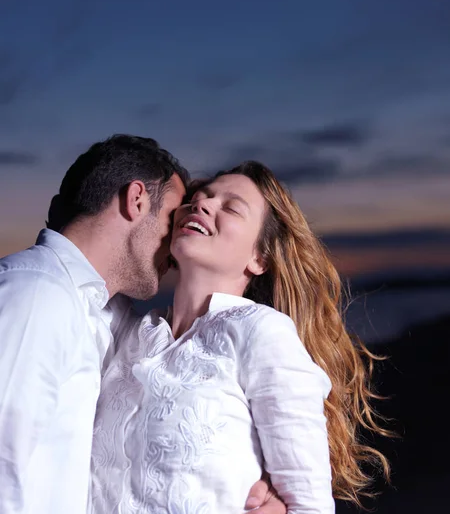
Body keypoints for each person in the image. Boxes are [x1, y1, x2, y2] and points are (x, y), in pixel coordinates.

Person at [0, 136, 283, 514]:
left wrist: (262, 480)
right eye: (172, 219)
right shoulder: (37, 293)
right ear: (136, 201)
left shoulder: (108, 318)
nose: (176, 239)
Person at [90, 161, 389, 513]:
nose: (201, 205)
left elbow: (310, 505)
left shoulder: (261, 332)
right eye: (198, 198)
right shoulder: (128, 331)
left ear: (259, 257)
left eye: (230, 207)